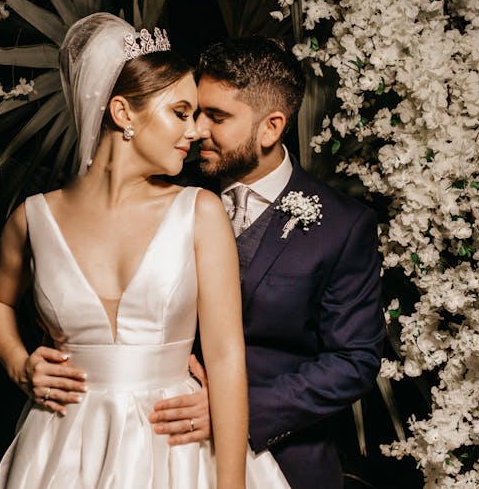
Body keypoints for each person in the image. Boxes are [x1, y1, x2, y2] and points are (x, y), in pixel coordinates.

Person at [0, 14, 289, 489]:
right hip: (62, 448)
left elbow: (226, 358)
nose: (195, 132)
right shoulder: (33, 218)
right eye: (181, 113)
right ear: (124, 114)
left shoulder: (199, 212)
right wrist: (19, 363)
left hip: (176, 452)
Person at [148, 37, 385, 489]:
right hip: (157, 443)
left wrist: (235, 408)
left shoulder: (343, 226)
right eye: (196, 112)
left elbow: (353, 360)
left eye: (217, 117)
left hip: (283, 459)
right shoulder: (166, 194)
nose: (196, 130)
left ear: (270, 127)